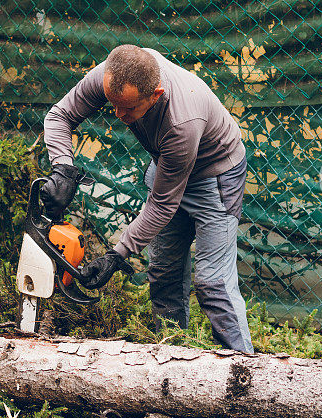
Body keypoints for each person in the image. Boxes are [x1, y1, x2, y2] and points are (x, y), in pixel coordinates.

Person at [41, 44, 253, 353]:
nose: (118, 114)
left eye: (127, 109)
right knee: (163, 274)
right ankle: (173, 358)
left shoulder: (182, 121)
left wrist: (116, 255)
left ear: (155, 95)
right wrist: (63, 167)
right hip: (167, 166)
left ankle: (243, 373)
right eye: (113, 104)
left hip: (214, 177)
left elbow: (163, 204)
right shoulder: (115, 75)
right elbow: (60, 115)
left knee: (213, 283)